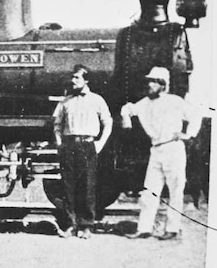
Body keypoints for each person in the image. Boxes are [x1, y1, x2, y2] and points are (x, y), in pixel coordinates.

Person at [122, 66, 202, 241]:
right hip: (156, 150)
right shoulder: (145, 102)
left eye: (152, 81)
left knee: (175, 191)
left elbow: (196, 114)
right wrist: (126, 118)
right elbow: (128, 108)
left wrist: (188, 134)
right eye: (148, 81)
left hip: (173, 149)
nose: (148, 85)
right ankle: (144, 228)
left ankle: (172, 229)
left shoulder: (175, 101)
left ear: (162, 84)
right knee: (149, 190)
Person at [52, 64, 113, 239]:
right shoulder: (65, 102)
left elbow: (107, 122)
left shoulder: (97, 100)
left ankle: (86, 226)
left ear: (86, 80)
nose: (73, 80)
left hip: (88, 145)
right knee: (68, 186)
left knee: (87, 185)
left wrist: (100, 144)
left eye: (77, 77)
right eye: (72, 77)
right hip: (69, 146)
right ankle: (71, 225)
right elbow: (57, 125)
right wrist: (59, 143)